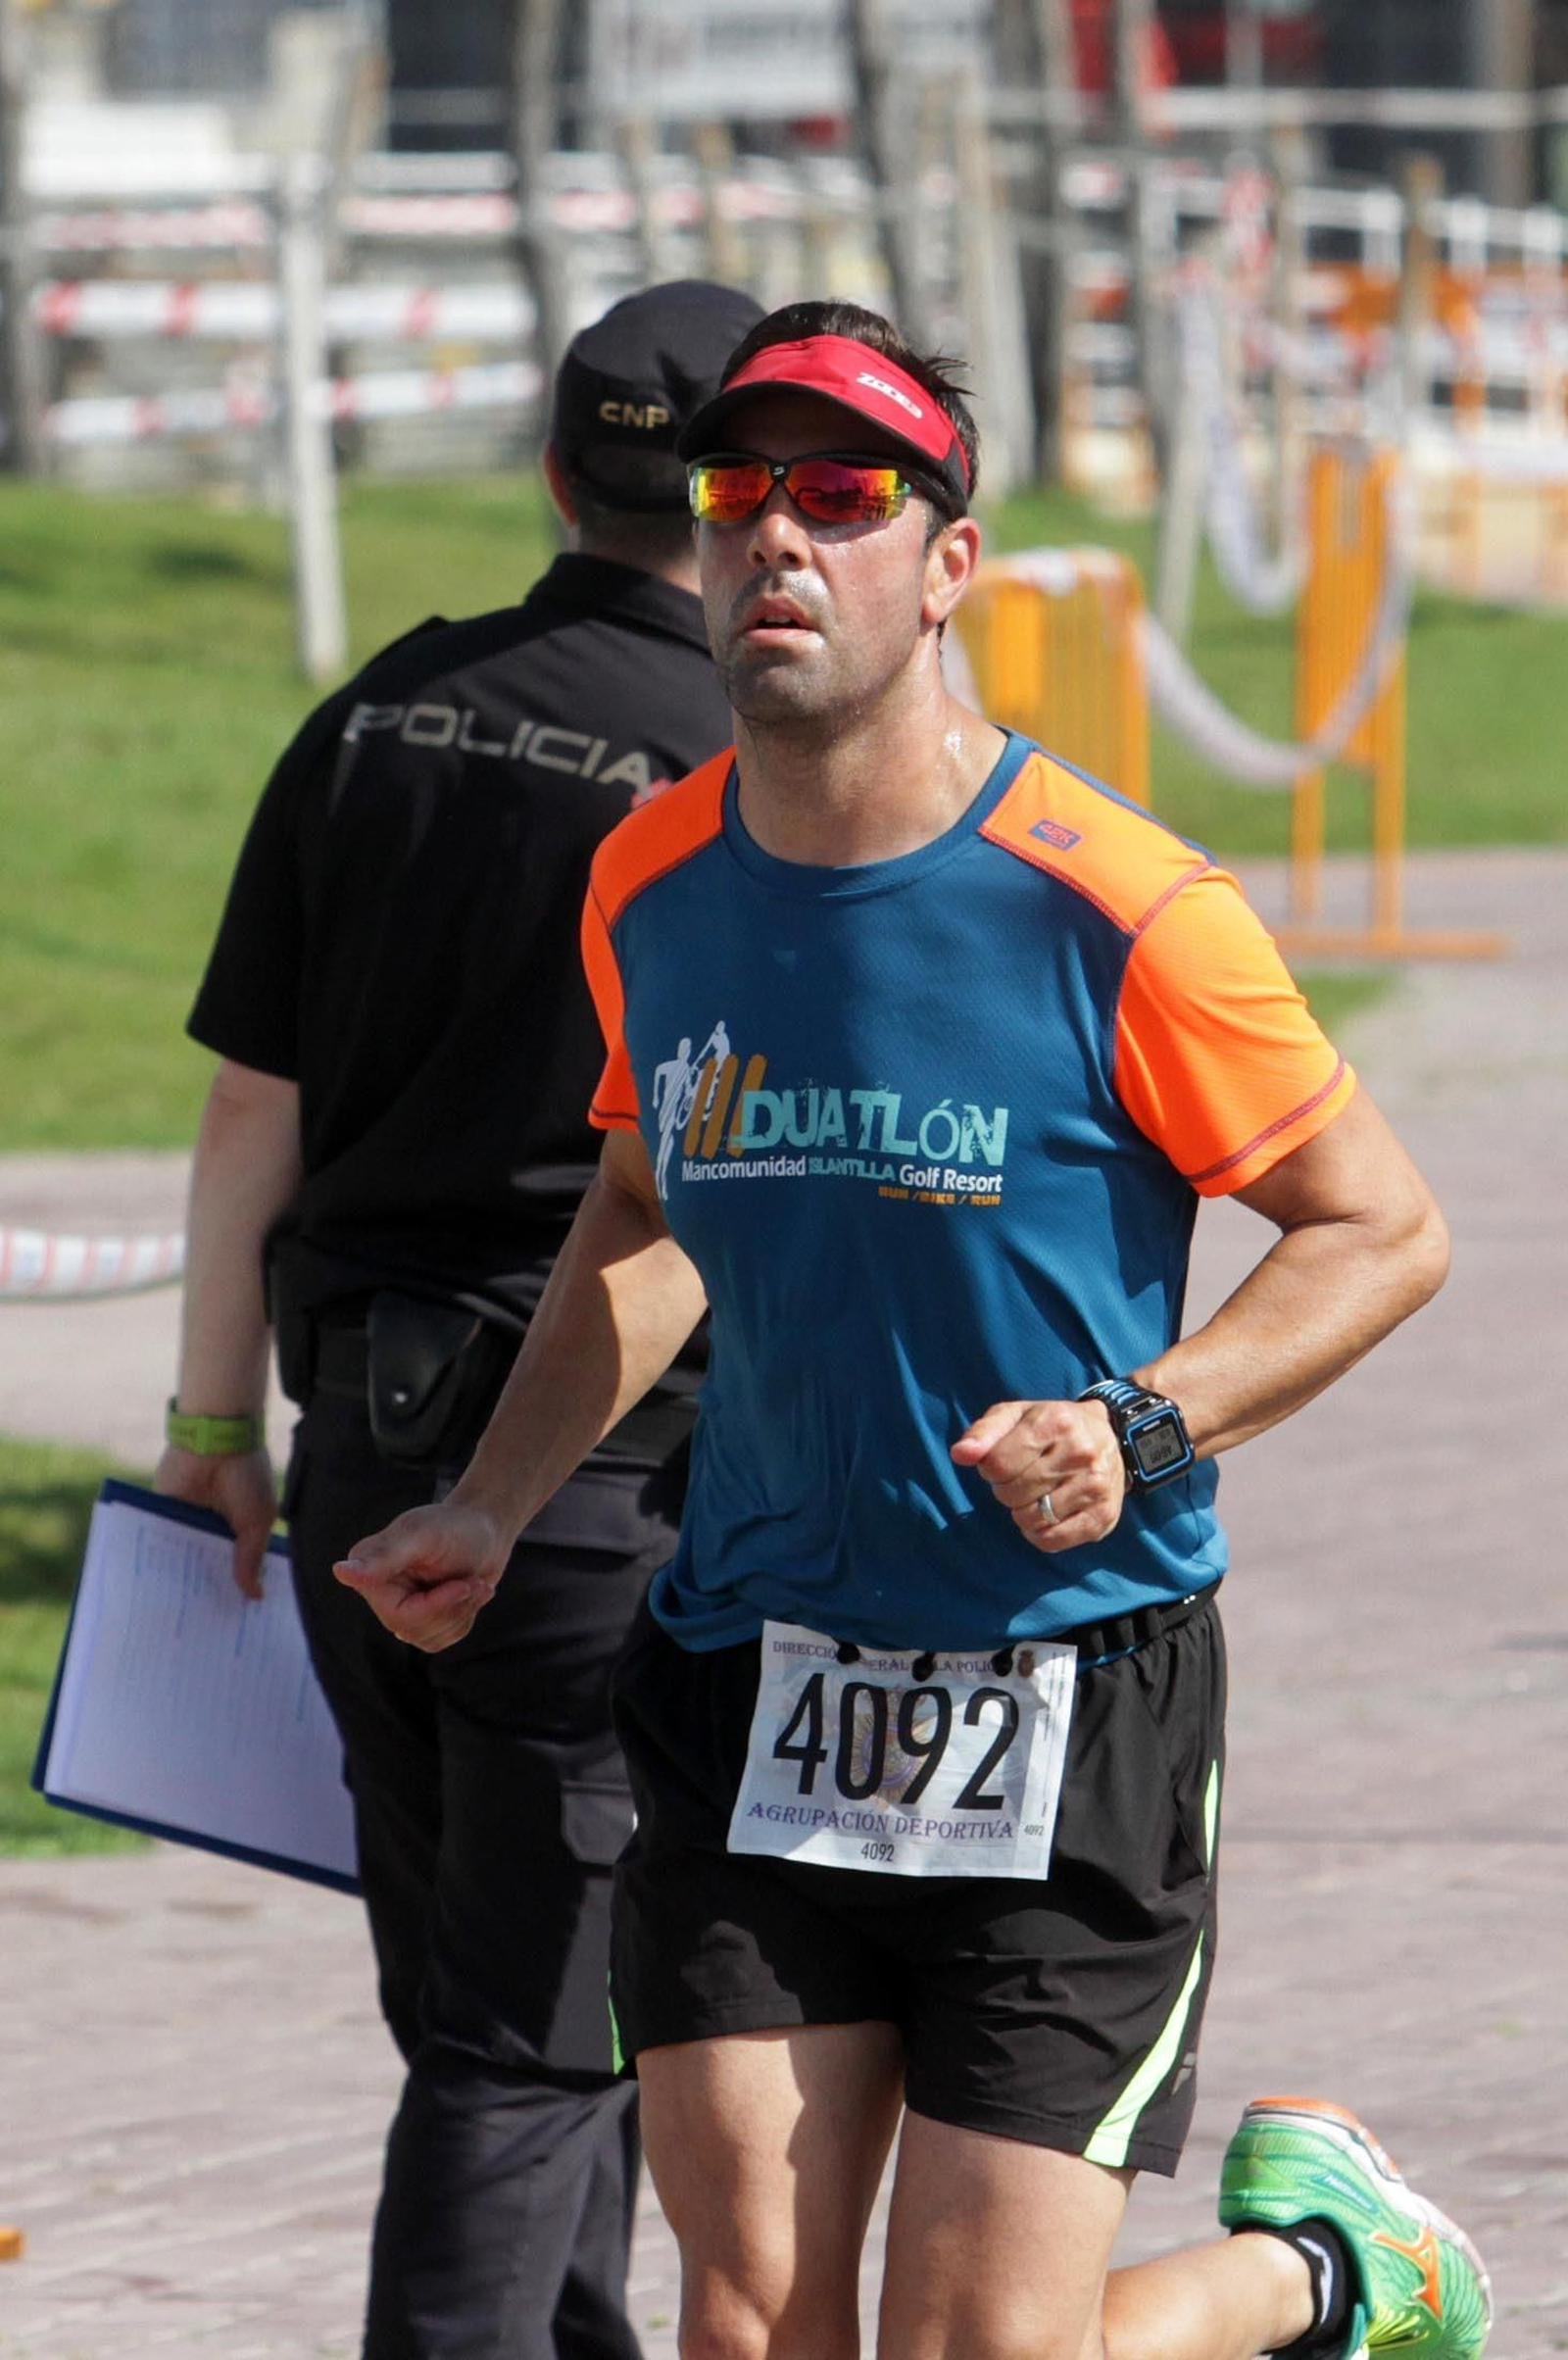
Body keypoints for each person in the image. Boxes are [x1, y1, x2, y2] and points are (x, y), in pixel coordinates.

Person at [335, 301, 1493, 2360]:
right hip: (751, 1670)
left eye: (844, 494)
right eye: (735, 493)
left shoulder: (1115, 904)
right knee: (753, 2320)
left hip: (1066, 1696)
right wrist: (498, 1503)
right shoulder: (648, 885)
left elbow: (1376, 1230)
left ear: (946, 563)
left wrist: (1141, 1420)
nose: (777, 536)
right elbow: (640, 1193)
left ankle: (1321, 2271)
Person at [153, 277, 764, 2360]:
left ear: (545, 467)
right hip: (590, 1482)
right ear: (748, 497)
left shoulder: (380, 708)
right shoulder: (730, 767)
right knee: (527, 2048)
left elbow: (253, 1101)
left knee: (498, 2027)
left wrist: (212, 1430)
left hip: (360, 1455)